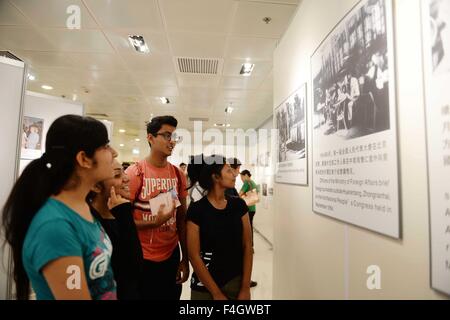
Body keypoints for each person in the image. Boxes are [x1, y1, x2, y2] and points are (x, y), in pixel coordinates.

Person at [2, 115, 117, 300]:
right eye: (105, 146)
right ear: (84, 159)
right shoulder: (56, 226)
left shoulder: (81, 206)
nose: (114, 153)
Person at [125, 115, 189, 300]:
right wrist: (152, 222)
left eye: (174, 137)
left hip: (170, 255)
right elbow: (121, 222)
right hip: (141, 257)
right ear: (150, 138)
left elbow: (181, 219)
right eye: (167, 135)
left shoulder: (177, 174)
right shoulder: (135, 173)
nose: (172, 142)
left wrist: (185, 259)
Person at [186, 155, 253, 300]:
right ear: (216, 177)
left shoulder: (239, 206)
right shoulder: (196, 210)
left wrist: (245, 287)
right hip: (203, 286)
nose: (235, 174)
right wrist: (216, 294)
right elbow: (194, 255)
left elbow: (248, 246)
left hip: (234, 282)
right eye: (229, 171)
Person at [87, 159, 143, 300]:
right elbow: (129, 267)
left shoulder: (120, 212)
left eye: (124, 172)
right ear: (96, 186)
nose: (126, 178)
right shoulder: (90, 221)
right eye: (117, 175)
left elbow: (136, 266)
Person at [239, 169, 258, 288]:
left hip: (248, 209)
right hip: (253, 209)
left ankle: (249, 246)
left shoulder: (247, 183)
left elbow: (239, 194)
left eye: (242, 176)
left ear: (246, 175)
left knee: (247, 230)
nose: (241, 178)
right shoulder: (254, 183)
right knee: (250, 228)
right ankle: (251, 246)